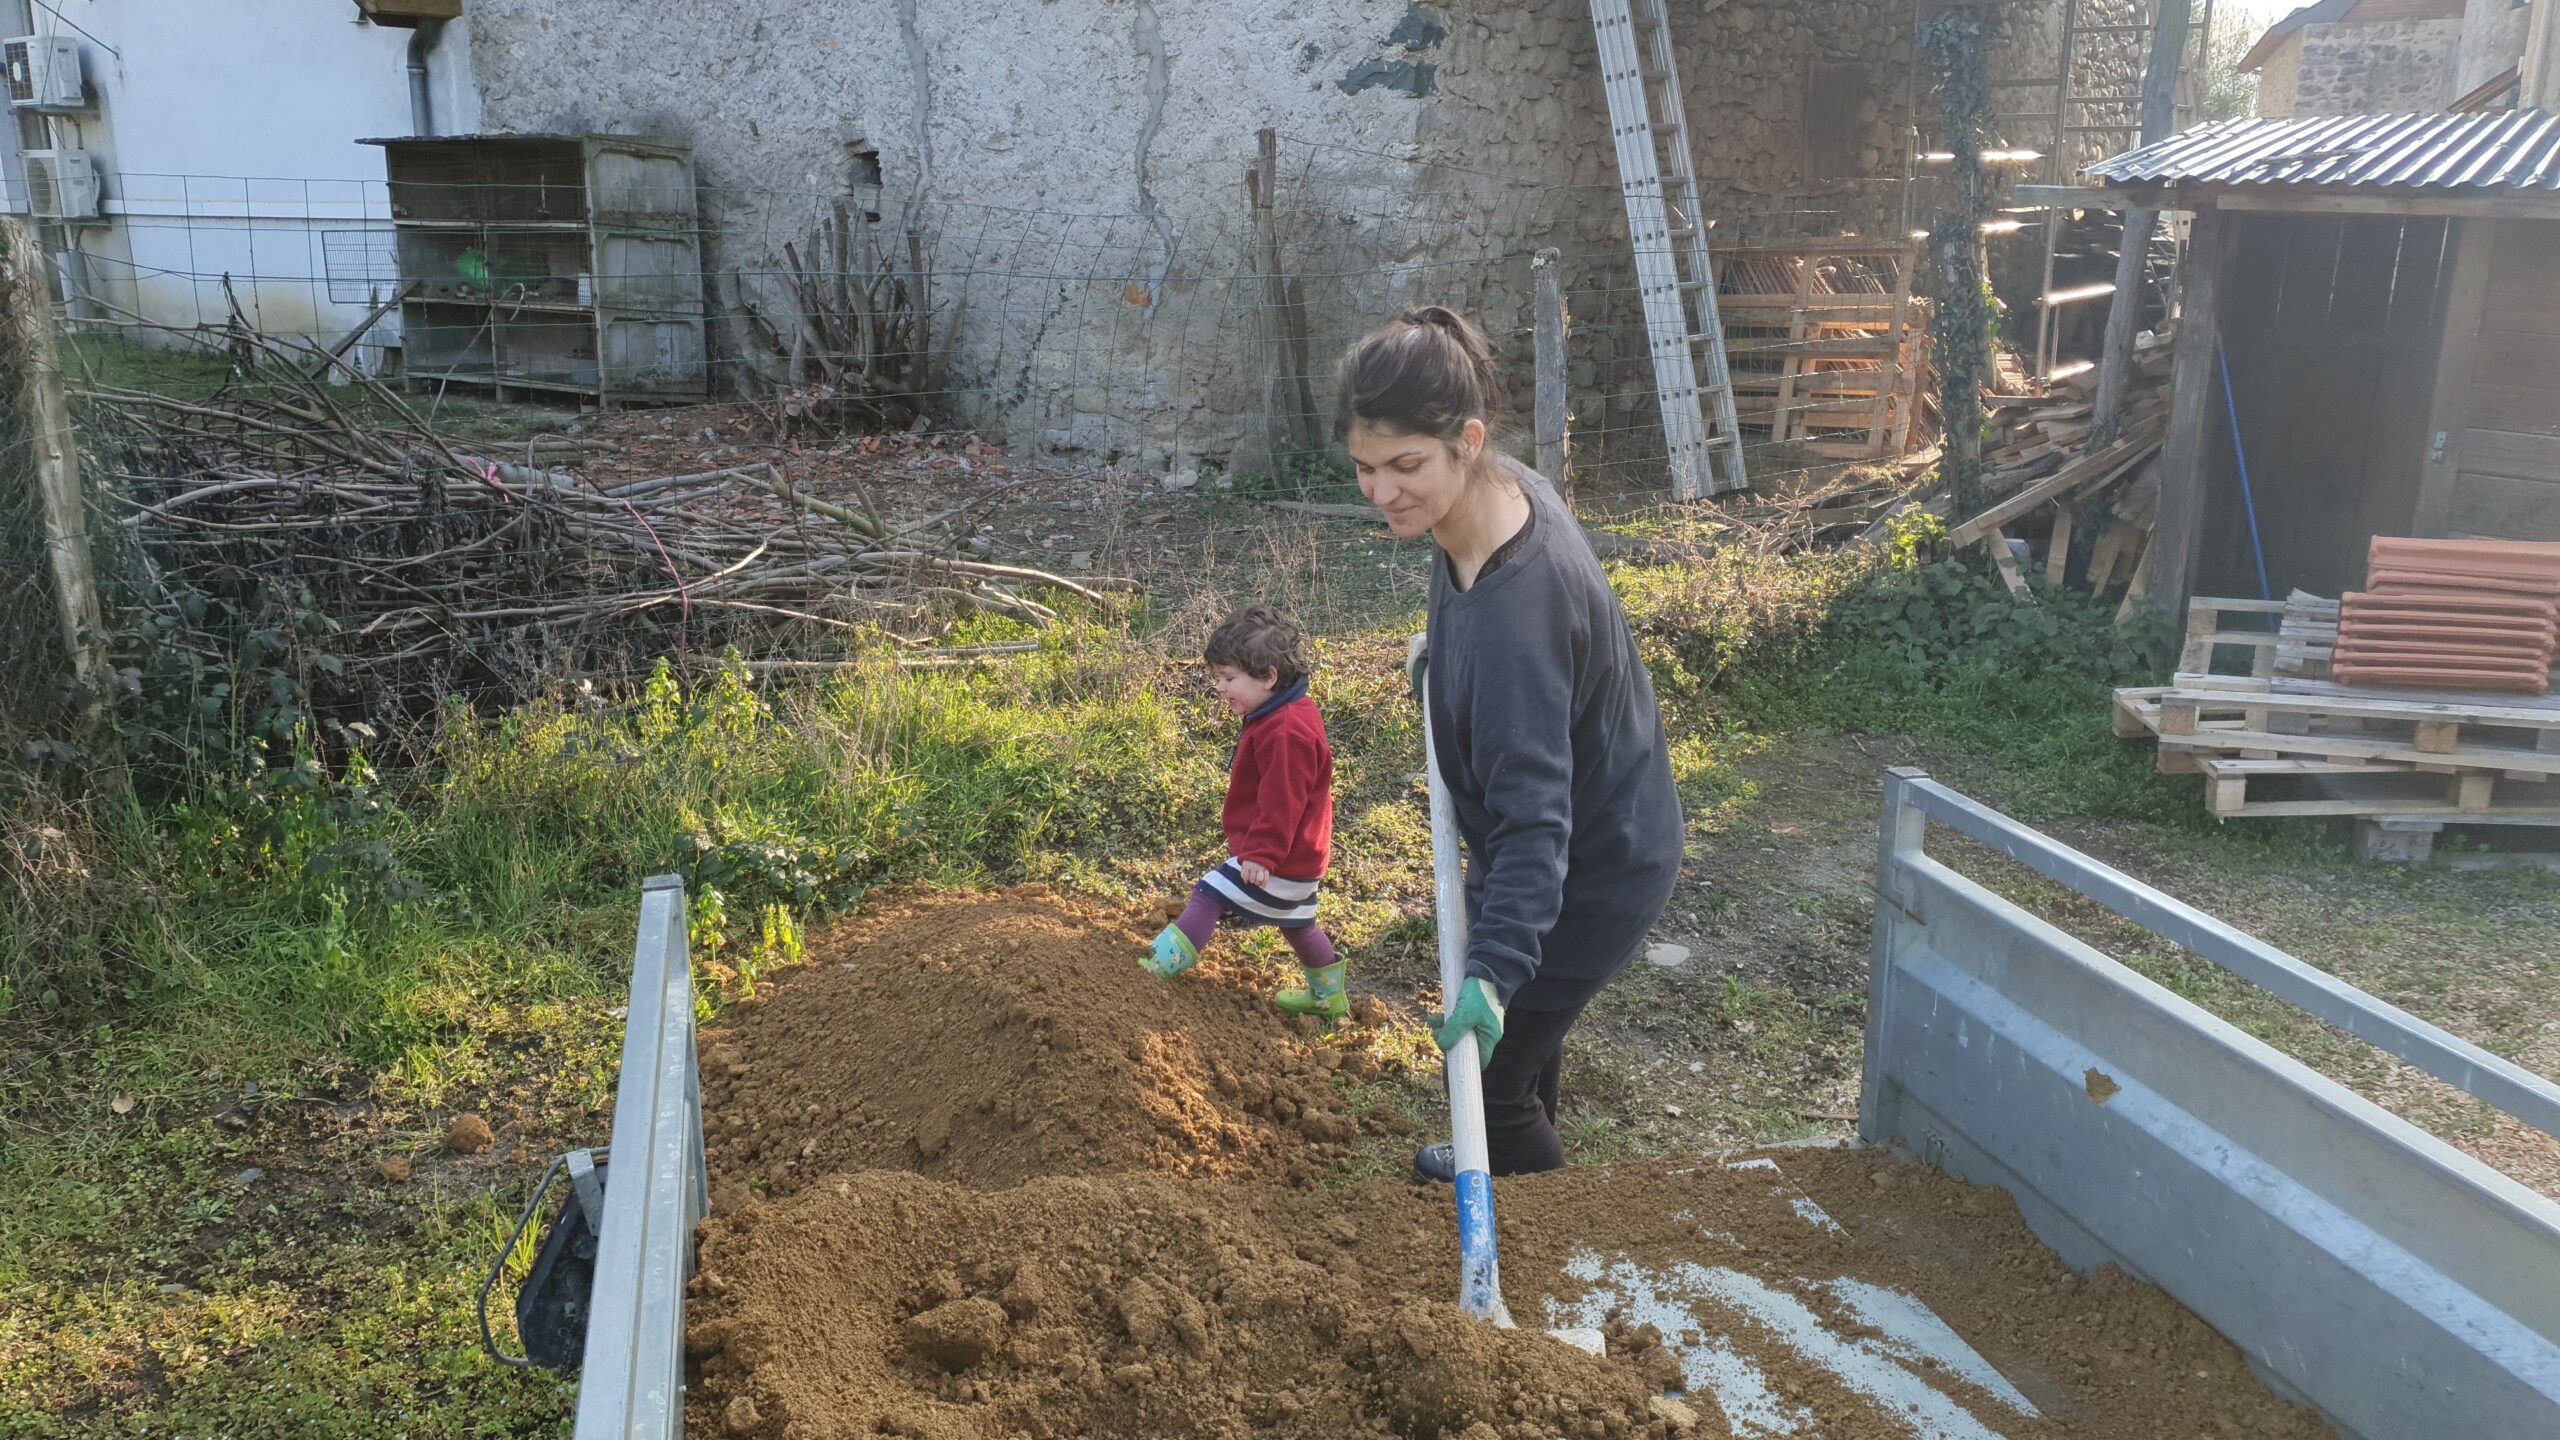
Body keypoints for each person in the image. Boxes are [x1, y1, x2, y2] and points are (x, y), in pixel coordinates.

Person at [1338, 306, 1684, 1179]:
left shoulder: (1515, 622)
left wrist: (1491, 971)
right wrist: (1440, 652)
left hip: (1592, 866)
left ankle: (1545, 1233)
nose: (1383, 493)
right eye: (1365, 468)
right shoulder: (1490, 495)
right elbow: (1467, 601)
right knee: (1525, 1054)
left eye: (1405, 467)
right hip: (1579, 831)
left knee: (1491, 1083)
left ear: (1468, 440)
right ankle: (1517, 1164)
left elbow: (1538, 825)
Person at [1139, 604, 1347, 1018]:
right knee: (1298, 924)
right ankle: (1330, 998)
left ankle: (1154, 971)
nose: (1220, 687)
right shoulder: (1282, 711)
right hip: (1303, 857)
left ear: (1269, 677)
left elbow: (1283, 801)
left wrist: (1261, 855)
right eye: (1218, 677)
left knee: (1209, 894)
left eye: (1229, 678)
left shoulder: (1285, 731)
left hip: (1281, 856)